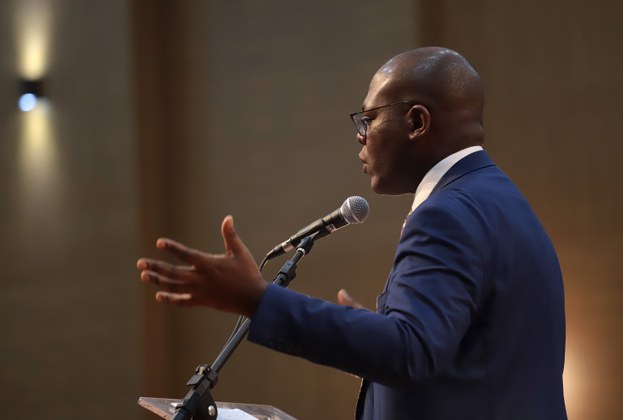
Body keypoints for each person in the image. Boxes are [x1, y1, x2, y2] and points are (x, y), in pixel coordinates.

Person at [137, 47, 567, 420]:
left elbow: (411, 352)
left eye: (369, 119)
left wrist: (259, 300)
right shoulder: (502, 203)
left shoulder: (446, 214)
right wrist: (369, 338)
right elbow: (461, 360)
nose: (360, 138)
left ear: (417, 122)